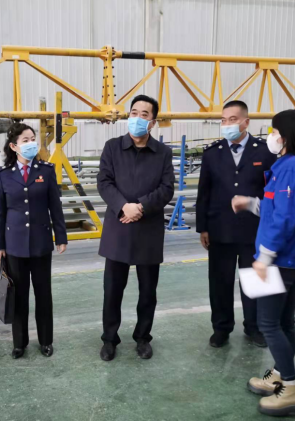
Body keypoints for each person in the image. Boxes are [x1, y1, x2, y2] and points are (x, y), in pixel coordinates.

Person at [232, 109, 295, 417]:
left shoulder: (291, 167)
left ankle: (290, 388)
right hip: (292, 258)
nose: (272, 135)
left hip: (281, 259)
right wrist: (250, 203)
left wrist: (265, 258)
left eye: (275, 130)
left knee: (268, 323)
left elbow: (285, 217)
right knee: (284, 322)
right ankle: (281, 374)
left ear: (287, 136)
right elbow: (278, 206)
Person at [97, 95, 175, 362]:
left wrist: (140, 207)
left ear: (152, 122)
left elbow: (166, 188)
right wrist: (123, 207)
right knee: (112, 291)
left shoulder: (163, 153)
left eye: (144, 114)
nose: (137, 118)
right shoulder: (112, 147)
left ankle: (143, 337)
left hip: (147, 230)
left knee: (147, 291)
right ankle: (109, 339)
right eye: (133, 112)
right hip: (118, 228)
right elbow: (104, 182)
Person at [196, 100, 277, 348]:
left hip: (254, 230)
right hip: (219, 229)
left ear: (246, 122)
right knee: (219, 282)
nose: (227, 124)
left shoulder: (265, 152)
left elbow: (271, 192)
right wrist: (203, 227)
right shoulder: (212, 153)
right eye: (224, 120)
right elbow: (204, 193)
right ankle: (221, 328)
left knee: (254, 281)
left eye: (233, 119)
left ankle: (255, 327)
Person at [0, 123, 67, 359]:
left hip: (41, 242)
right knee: (19, 296)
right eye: (25, 140)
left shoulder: (46, 170)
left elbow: (55, 206)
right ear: (14, 146)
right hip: (14, 245)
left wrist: (61, 235)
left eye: (32, 139)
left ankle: (46, 340)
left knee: (43, 294)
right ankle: (19, 343)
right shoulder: (3, 175)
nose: (31, 143)